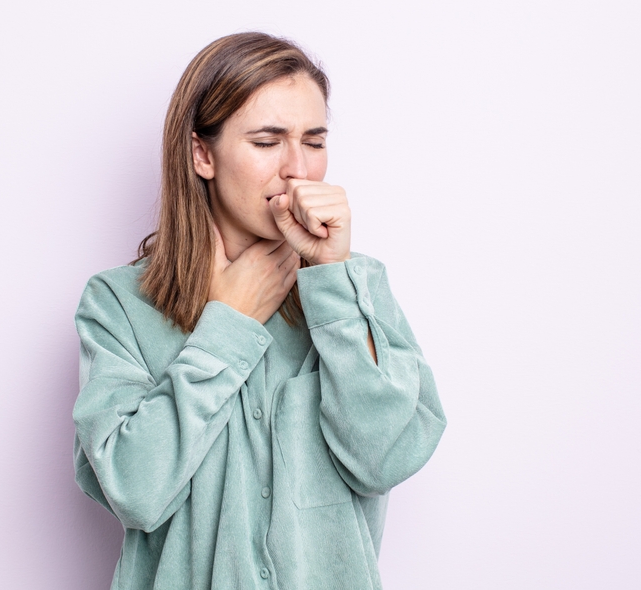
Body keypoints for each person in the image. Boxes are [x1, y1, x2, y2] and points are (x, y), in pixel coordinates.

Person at [73, 32, 446, 590]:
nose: (298, 169)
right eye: (268, 141)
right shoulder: (118, 304)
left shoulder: (356, 286)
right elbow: (133, 491)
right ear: (203, 154)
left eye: (314, 141)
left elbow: (386, 458)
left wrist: (332, 281)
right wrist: (229, 326)